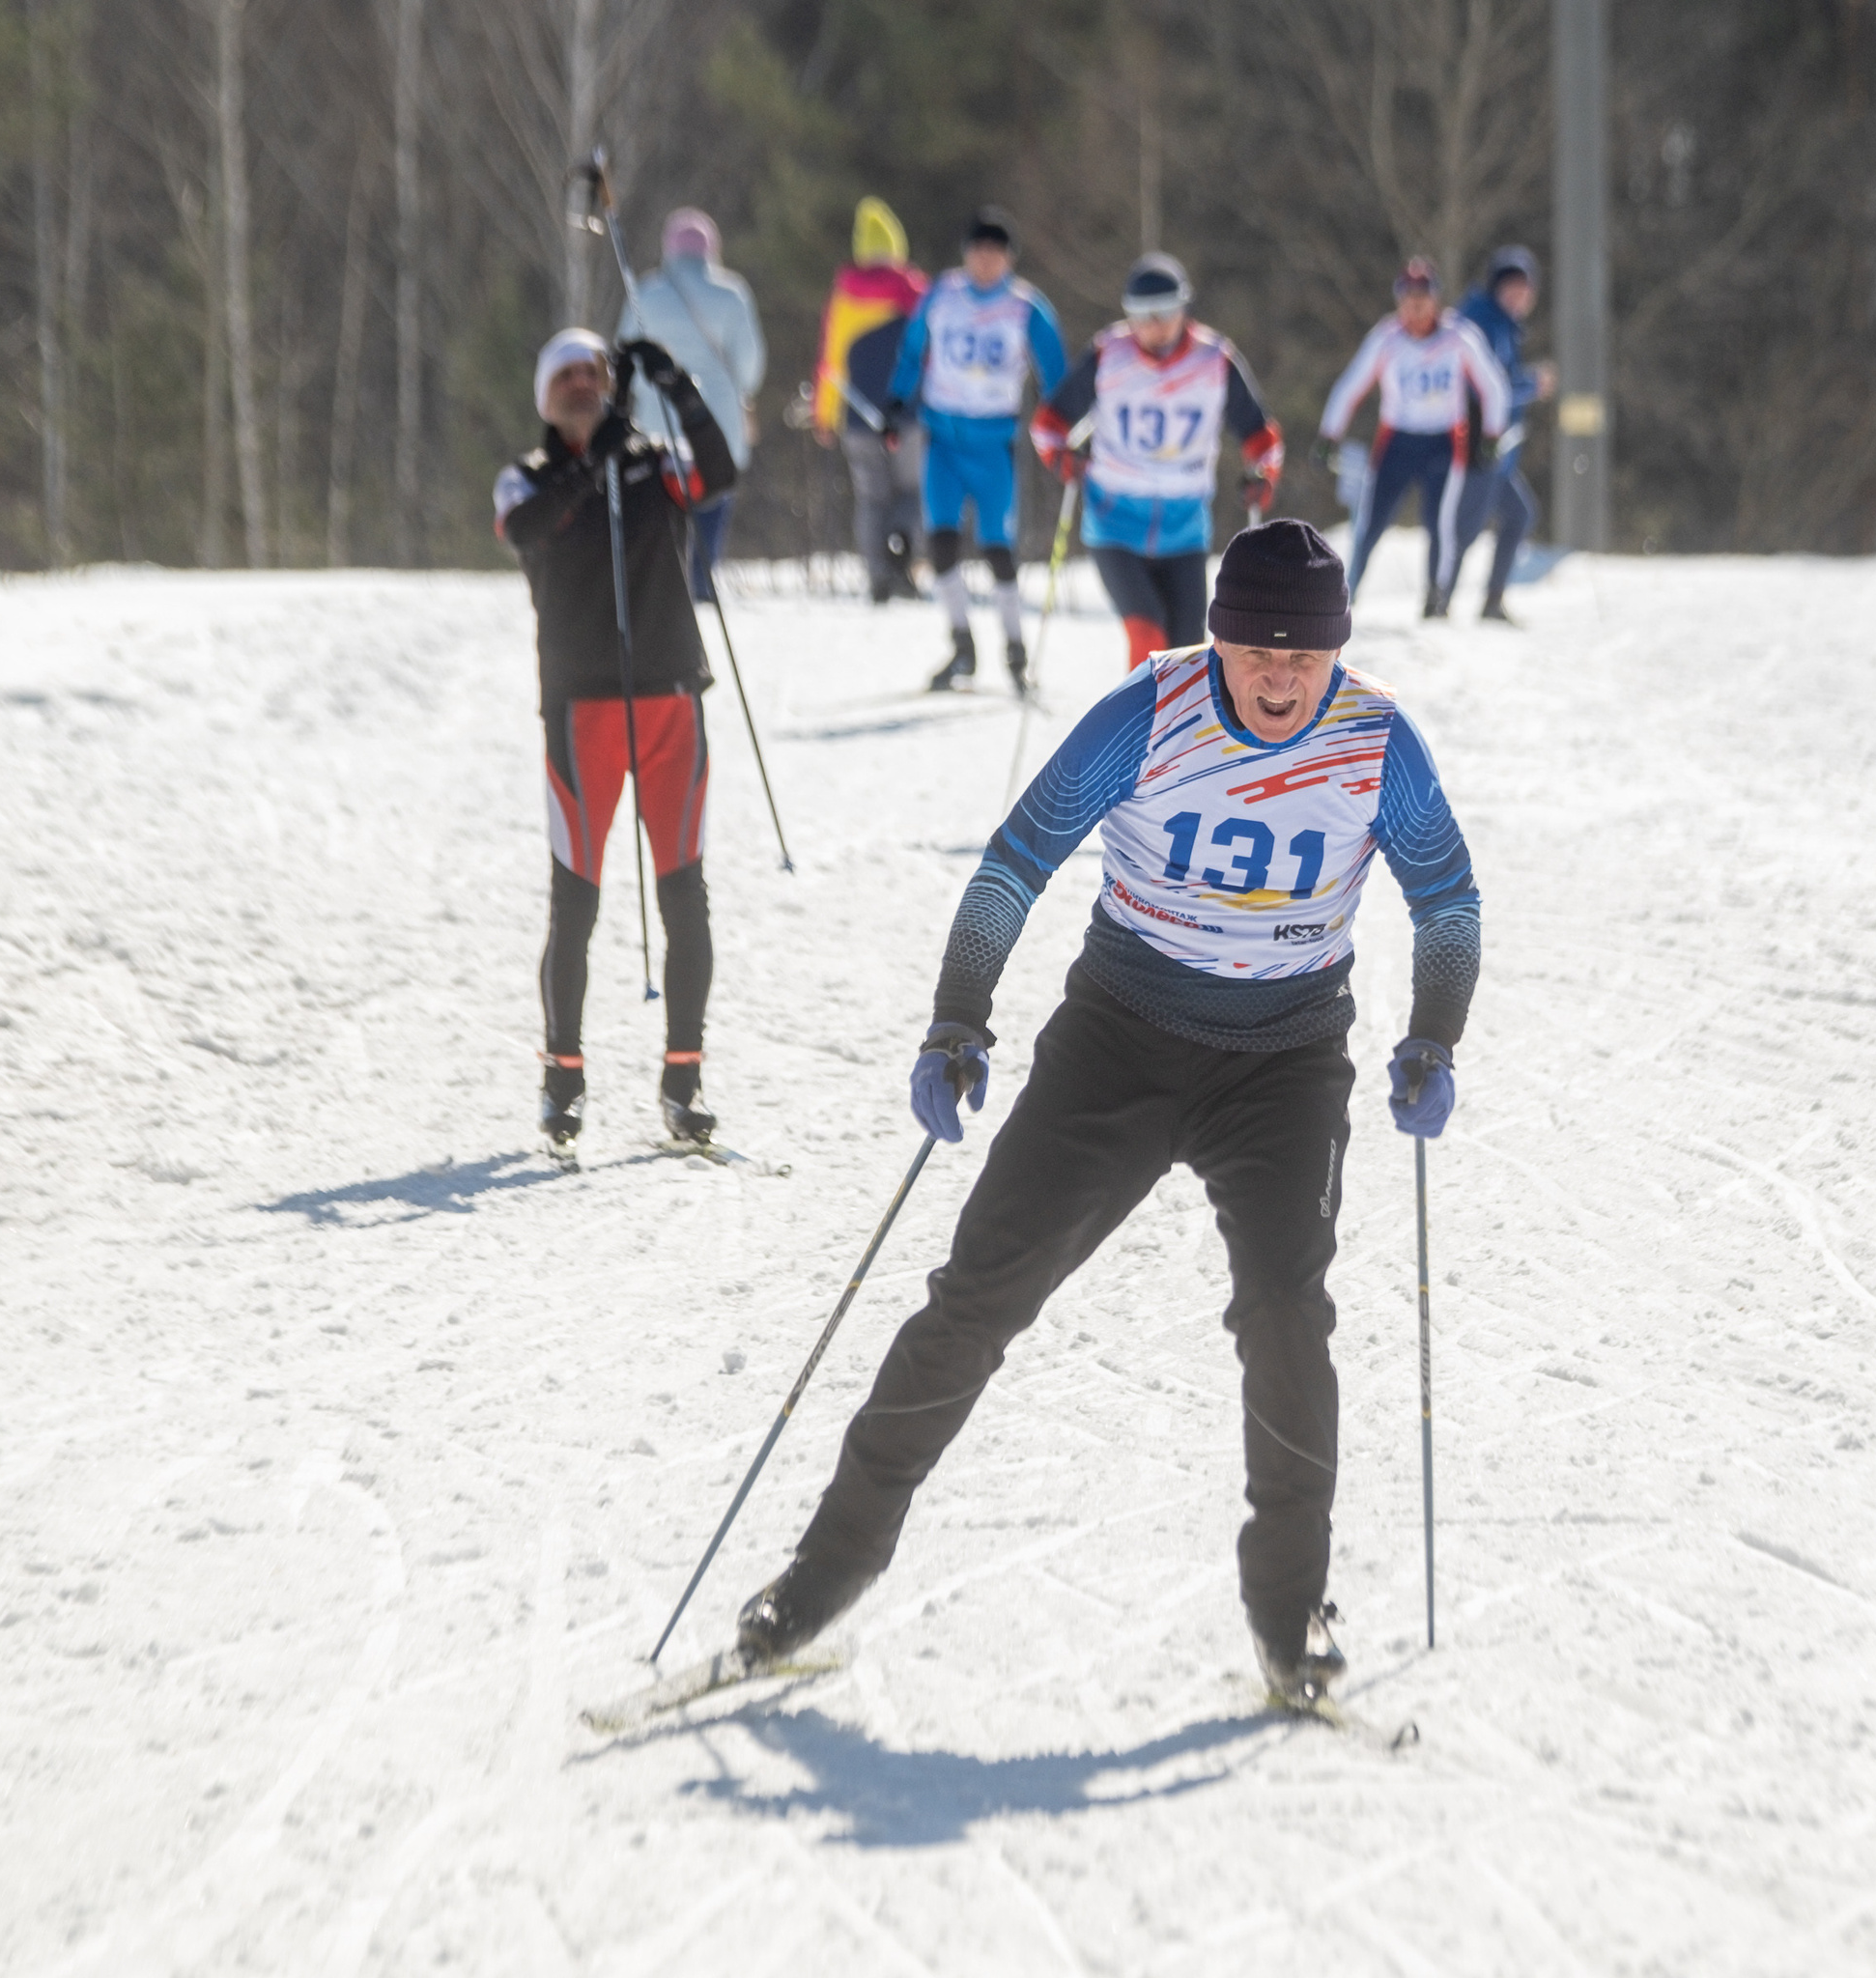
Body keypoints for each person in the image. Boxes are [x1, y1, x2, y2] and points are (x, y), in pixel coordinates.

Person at [732, 519, 1482, 1709]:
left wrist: (1433, 1034)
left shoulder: (1377, 740)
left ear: (1337, 652)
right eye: (1255, 650)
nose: (1281, 677)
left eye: (1306, 656)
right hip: (1117, 1043)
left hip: (1285, 1061)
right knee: (977, 1293)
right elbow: (1014, 859)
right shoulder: (1148, 711)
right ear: (1216, 637)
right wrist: (955, 1016)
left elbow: (1446, 901)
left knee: (1287, 1312)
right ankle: (823, 1571)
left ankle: (1291, 1614)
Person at [493, 328, 737, 1152]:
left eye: (593, 375)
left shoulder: (654, 460)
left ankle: (684, 1079)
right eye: (564, 377)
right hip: (581, 707)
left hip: (671, 696)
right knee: (577, 902)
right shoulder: (525, 478)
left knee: (684, 896)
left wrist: (678, 384)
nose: (580, 387)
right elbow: (534, 529)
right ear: (542, 395)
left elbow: (720, 473)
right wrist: (606, 445)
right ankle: (562, 1080)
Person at [1033, 252, 1283, 671]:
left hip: (1184, 528)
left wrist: (1264, 474)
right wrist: (1061, 458)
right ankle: (1142, 732)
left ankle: (1182, 737)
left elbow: (1262, 435)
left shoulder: (1214, 360)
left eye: (1166, 311)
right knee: (1148, 635)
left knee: (1188, 656)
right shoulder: (1109, 354)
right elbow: (1047, 423)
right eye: (1141, 313)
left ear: (1184, 307)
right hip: (1115, 522)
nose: (1153, 324)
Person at [884, 207, 1070, 694]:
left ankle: (1014, 648)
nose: (986, 261)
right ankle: (962, 643)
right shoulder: (941, 296)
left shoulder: (1026, 306)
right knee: (941, 542)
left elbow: (1056, 371)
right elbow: (912, 351)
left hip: (993, 445)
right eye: (978, 251)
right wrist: (895, 401)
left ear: (1008, 258)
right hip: (942, 439)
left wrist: (1062, 421)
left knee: (997, 549)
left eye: (996, 253)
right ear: (966, 254)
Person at [1317, 258, 1510, 616]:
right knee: (1372, 519)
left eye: (1423, 298)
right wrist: (1329, 435)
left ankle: (1436, 598)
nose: (1415, 307)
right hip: (1398, 441)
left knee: (1440, 521)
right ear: (1398, 301)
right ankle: (1347, 594)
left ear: (1435, 300)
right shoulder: (1387, 338)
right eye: (1408, 299)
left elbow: (1493, 386)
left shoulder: (1458, 337)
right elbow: (1351, 386)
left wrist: (1492, 433)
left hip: (1443, 441)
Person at [617, 209, 765, 602]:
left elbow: (623, 357)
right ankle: (700, 581)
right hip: (716, 424)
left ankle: (664, 585)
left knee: (660, 507)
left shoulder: (644, 294)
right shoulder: (732, 294)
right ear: (711, 249)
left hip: (657, 421)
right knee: (711, 497)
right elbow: (750, 368)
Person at [812, 197, 930, 604]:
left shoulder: (845, 295)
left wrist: (824, 414)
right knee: (913, 491)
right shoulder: (918, 293)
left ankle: (878, 573)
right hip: (910, 414)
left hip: (859, 416)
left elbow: (831, 361)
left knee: (871, 497)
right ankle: (904, 555)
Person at [1442, 245, 1558, 623]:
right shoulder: (1483, 321)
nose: (1520, 296)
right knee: (1465, 527)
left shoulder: (1502, 323)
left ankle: (1490, 601)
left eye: (1526, 289)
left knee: (1519, 514)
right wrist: (1533, 384)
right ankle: (1439, 601)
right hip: (1477, 442)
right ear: (1496, 287)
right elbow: (1490, 386)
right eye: (1512, 287)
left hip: (1498, 448)